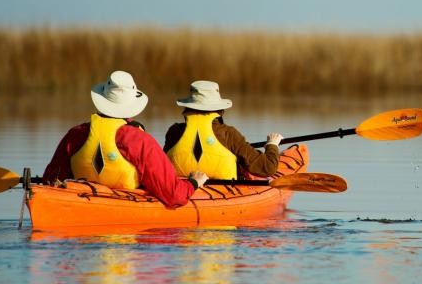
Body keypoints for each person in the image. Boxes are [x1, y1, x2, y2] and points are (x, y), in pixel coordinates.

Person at [43, 70, 208, 207]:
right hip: (125, 221)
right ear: (132, 105)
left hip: (81, 207)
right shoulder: (139, 140)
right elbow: (174, 196)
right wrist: (193, 183)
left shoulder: (76, 134)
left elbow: (50, 180)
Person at [164, 80, 283, 180]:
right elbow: (267, 168)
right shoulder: (228, 134)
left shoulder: (174, 131)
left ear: (188, 107)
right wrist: (272, 145)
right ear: (220, 110)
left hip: (184, 187)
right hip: (224, 188)